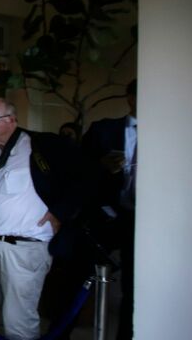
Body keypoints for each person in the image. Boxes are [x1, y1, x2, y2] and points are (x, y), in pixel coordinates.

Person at [0, 98, 81, 340]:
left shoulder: (43, 145)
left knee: (17, 321)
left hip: (24, 248)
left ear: (11, 120)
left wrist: (61, 211)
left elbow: (86, 177)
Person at [82, 79, 137, 340]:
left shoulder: (171, 134)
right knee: (81, 276)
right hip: (108, 215)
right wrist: (102, 167)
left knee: (133, 285)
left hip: (147, 219)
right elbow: (79, 170)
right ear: (130, 97)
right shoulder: (104, 130)